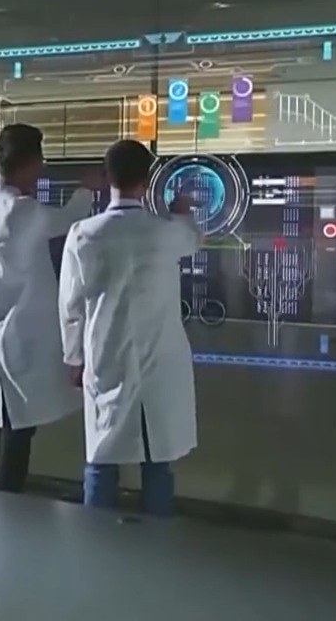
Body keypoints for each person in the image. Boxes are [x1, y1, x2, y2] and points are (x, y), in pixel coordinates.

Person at [57, 139, 201, 516]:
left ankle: (94, 541)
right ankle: (156, 541)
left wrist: (74, 358)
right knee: (157, 460)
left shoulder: (84, 233)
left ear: (107, 177)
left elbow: (71, 305)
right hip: (161, 361)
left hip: (106, 356)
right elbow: (193, 239)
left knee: (101, 459)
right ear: (148, 179)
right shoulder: (165, 232)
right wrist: (182, 212)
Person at [0, 124, 101, 492]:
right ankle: (6, 506)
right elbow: (68, 220)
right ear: (29, 163)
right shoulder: (23, 212)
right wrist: (88, 188)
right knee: (17, 429)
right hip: (22, 338)